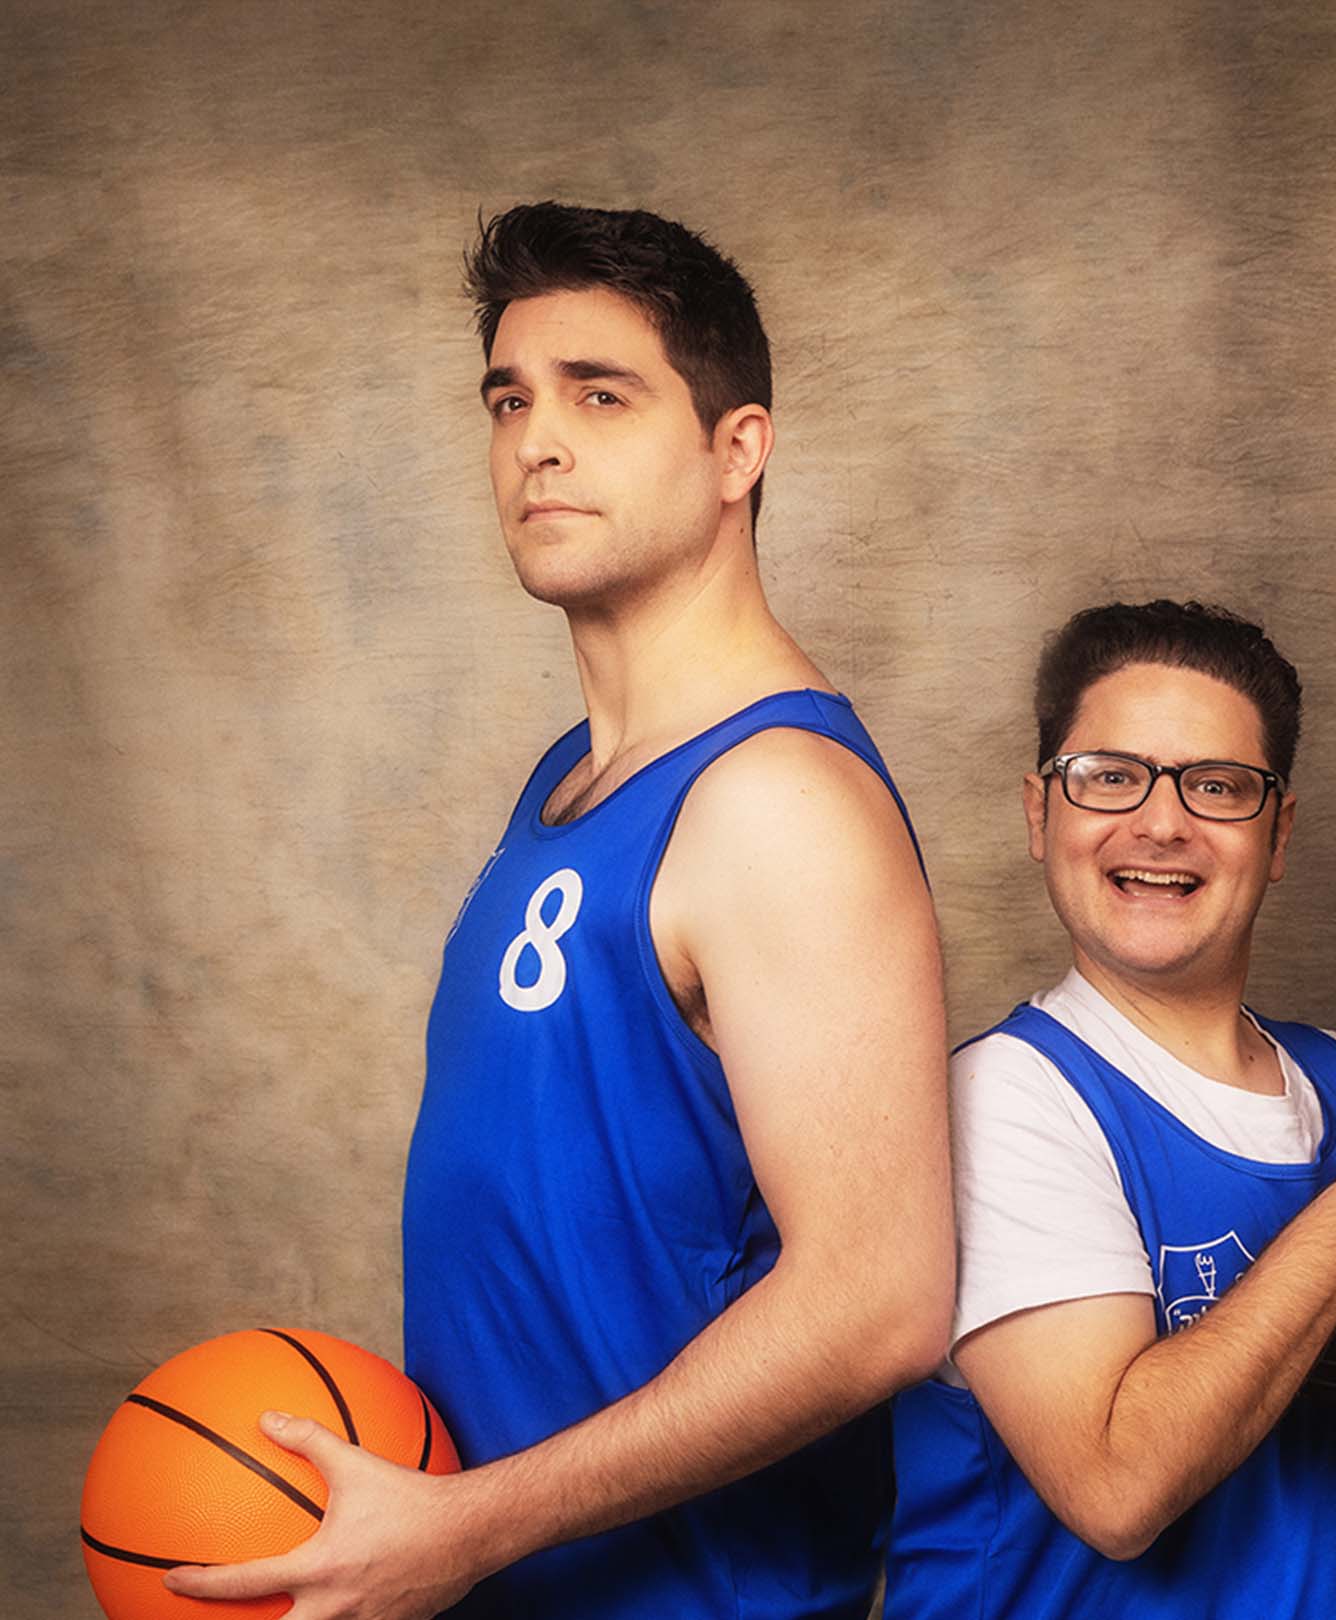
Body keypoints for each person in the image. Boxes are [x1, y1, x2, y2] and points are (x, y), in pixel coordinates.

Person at [167, 204, 956, 1618]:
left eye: (601, 395)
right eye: (509, 399)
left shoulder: (776, 801)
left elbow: (879, 1305)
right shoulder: (572, 778)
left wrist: (472, 1526)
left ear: (738, 450)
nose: (537, 440)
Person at [883, 600, 1336, 1618]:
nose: (1161, 823)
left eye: (1218, 786)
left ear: (1277, 834)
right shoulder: (1005, 1100)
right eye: (1111, 776)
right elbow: (1116, 1490)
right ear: (1040, 813)